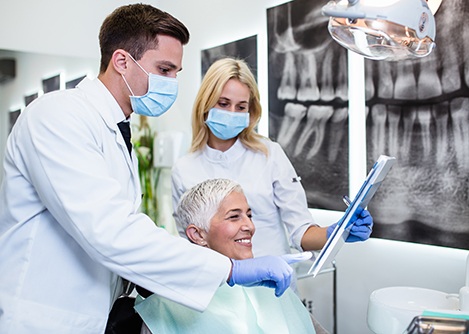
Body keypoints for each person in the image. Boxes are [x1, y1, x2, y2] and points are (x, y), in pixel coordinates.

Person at [0, 6, 308, 334]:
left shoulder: (115, 130)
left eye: (176, 71)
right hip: (47, 318)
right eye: (164, 69)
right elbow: (109, 232)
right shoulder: (57, 116)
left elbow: (124, 227)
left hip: (92, 315)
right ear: (121, 62)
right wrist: (228, 269)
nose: (173, 83)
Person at [172, 57, 373, 259]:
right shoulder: (184, 169)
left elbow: (301, 232)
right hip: (219, 285)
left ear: (250, 111)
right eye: (223, 103)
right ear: (205, 105)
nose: (232, 113)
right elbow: (189, 245)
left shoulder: (269, 154)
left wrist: (337, 232)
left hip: (273, 281)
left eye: (241, 107)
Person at [136, 178, 316, 334]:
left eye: (249, 215)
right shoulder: (166, 308)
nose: (250, 227)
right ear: (197, 235)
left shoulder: (270, 289)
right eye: (234, 217)